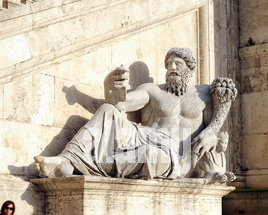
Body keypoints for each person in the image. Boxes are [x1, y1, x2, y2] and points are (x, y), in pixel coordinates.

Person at [34, 47, 237, 182]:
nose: (171, 68)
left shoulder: (204, 95)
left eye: (177, 63)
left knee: (148, 154)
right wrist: (111, 87)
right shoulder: (153, 90)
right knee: (108, 110)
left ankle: (78, 166)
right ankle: (66, 160)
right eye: (168, 64)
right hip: (142, 136)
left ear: (190, 67)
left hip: (175, 152)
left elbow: (214, 129)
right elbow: (121, 103)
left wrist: (213, 136)